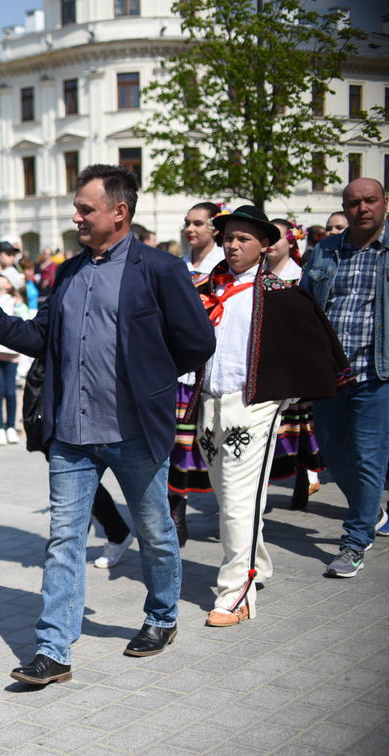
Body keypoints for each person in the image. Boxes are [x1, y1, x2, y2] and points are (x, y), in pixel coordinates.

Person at [0, 164, 216, 684]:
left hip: (135, 432)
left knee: (154, 530)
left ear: (119, 212)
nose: (76, 217)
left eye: (86, 209)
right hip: (71, 436)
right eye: (76, 208)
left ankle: (162, 616)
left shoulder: (160, 269)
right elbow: (41, 338)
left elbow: (198, 342)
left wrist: (150, 379)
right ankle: (53, 649)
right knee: (64, 540)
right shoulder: (69, 272)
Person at [192, 206, 349, 625]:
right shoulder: (207, 289)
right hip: (209, 403)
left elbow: (312, 344)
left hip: (253, 407)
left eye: (243, 238)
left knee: (238, 503)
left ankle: (236, 594)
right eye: (228, 237)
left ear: (264, 245)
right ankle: (257, 563)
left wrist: (282, 395)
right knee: (229, 497)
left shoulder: (280, 294)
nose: (233, 245)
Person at [302, 178, 389, 579]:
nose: (362, 209)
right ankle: (370, 511)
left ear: (384, 203)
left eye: (370, 201)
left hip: (378, 374)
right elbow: (306, 308)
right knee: (334, 454)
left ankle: (354, 541)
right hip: (331, 375)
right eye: (353, 203)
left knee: (370, 458)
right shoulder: (326, 250)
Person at [168, 202, 228, 544]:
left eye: (198, 223)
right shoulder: (178, 266)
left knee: (215, 442)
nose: (190, 229)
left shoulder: (224, 266)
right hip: (181, 371)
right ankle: (176, 511)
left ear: (214, 228)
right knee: (178, 444)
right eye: (187, 223)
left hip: (214, 367)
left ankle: (229, 511)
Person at [264, 218, 324, 508]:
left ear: (291, 240)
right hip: (264, 361)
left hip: (293, 362)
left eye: (277, 236)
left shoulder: (301, 277)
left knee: (298, 426)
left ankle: (303, 476)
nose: (270, 243)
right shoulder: (255, 275)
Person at [0, 275, 22, 446]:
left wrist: (20, 305)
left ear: (9, 284)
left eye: (3, 279)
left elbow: (24, 320)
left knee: (10, 392)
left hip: (11, 355)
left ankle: (11, 427)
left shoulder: (15, 302)